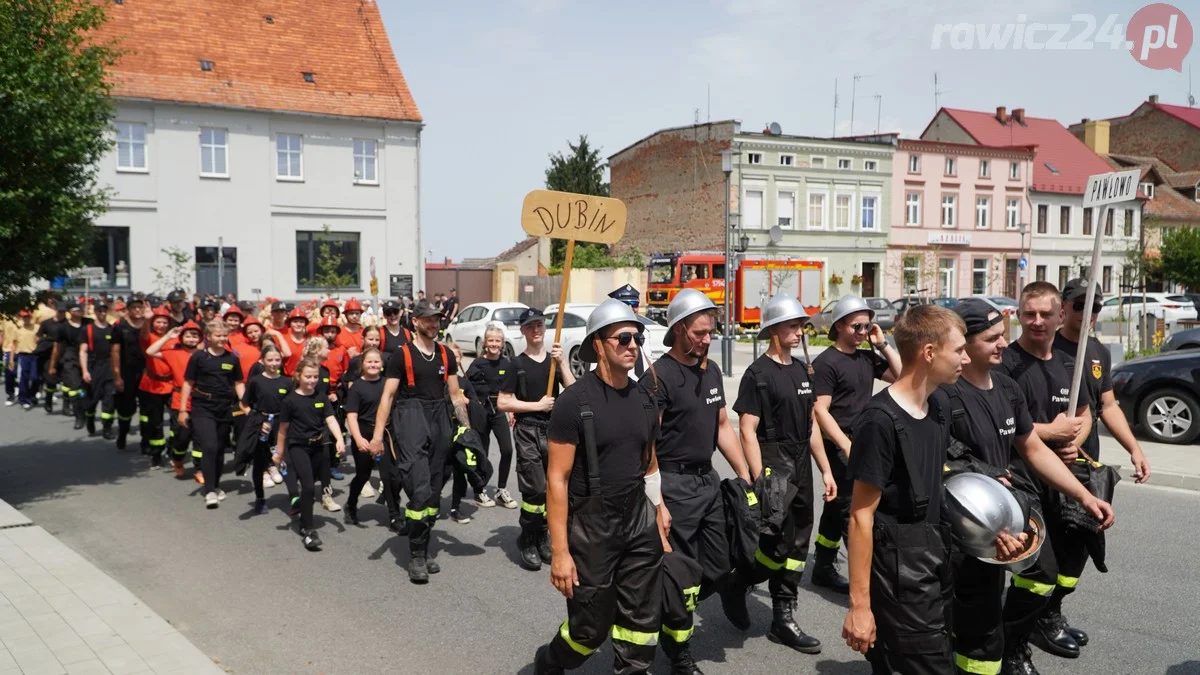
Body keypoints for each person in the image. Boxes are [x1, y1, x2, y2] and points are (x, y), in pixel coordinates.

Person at [841, 305, 1025, 674]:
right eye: (958, 349)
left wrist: (993, 534)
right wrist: (860, 607)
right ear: (929, 353)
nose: (965, 356)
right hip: (898, 569)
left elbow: (944, 483)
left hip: (936, 556)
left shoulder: (939, 405)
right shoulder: (879, 422)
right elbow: (861, 517)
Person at [943, 298, 1116, 675]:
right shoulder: (944, 396)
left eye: (1002, 335)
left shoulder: (1006, 388)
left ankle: (1014, 645)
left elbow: (1033, 448)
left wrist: (1084, 495)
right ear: (964, 343)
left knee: (1042, 575)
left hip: (1010, 512)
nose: (1003, 344)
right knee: (974, 630)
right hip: (966, 529)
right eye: (991, 339)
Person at [533, 299, 668, 675]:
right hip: (592, 525)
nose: (632, 345)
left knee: (640, 624)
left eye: (637, 337)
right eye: (623, 337)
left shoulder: (645, 395)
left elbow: (650, 461)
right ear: (598, 345)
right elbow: (556, 480)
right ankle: (550, 661)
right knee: (589, 630)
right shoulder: (574, 403)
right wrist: (560, 552)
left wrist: (659, 509)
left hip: (638, 519)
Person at [647, 289, 752, 672]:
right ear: (677, 330)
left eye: (711, 332)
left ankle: (670, 609)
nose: (708, 340)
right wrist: (657, 499)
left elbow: (723, 425)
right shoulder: (658, 376)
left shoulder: (710, 370)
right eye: (699, 333)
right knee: (683, 579)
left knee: (721, 567)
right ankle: (679, 653)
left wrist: (744, 475)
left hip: (707, 482)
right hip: (673, 487)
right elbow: (647, 445)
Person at [731, 294, 838, 656]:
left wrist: (825, 470)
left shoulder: (801, 371)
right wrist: (761, 479)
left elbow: (811, 428)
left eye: (801, 326)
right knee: (775, 545)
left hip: (801, 463)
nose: (799, 332)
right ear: (773, 329)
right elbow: (747, 429)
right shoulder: (757, 374)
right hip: (774, 462)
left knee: (797, 544)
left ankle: (782, 616)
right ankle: (740, 581)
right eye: (793, 326)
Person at [1049, 279, 1149, 653]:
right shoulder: (1049, 349)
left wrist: (1134, 450)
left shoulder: (1098, 352)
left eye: (1094, 306)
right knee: (1057, 547)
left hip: (1087, 464)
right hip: (1053, 462)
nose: (1088, 313)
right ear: (1064, 307)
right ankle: (1037, 618)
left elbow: (1107, 406)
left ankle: (1051, 610)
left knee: (1083, 544)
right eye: (1080, 304)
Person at [810, 295, 901, 593]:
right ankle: (868, 587)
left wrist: (883, 343)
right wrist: (845, 446)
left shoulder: (866, 357)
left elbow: (903, 376)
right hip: (841, 443)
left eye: (867, 326)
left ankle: (822, 567)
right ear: (839, 326)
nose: (863, 332)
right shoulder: (826, 363)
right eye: (857, 326)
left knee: (837, 506)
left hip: (863, 440)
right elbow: (820, 411)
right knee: (855, 509)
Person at [369, 302, 465, 583]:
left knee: (435, 492)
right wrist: (377, 436)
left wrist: (467, 432)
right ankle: (416, 555)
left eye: (437, 319)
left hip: (440, 420)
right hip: (410, 417)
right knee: (420, 489)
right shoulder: (402, 356)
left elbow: (456, 395)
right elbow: (387, 397)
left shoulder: (446, 354)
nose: (434, 324)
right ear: (416, 321)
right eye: (428, 320)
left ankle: (425, 543)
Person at [497, 307, 576, 571]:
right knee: (535, 490)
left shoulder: (554, 360)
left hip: (553, 429)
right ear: (522, 331)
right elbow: (503, 403)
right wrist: (537, 405)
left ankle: (543, 535)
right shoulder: (515, 365)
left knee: (553, 489)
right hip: (528, 430)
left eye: (540, 325)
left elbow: (574, 391)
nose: (536, 330)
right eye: (530, 326)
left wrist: (563, 362)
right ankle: (527, 539)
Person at [276, 358, 346, 550]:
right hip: (298, 446)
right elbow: (283, 430)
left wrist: (339, 439)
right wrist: (279, 452)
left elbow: (330, 419)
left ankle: (305, 515)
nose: (312, 380)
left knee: (312, 486)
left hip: (318, 446)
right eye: (308, 376)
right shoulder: (290, 401)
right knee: (307, 487)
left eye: (315, 377)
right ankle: (308, 529)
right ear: (298, 376)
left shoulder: (321, 396)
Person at [178, 321, 246, 508]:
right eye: (218, 335)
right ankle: (209, 491)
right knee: (209, 445)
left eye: (225, 335)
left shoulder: (232, 358)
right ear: (208, 336)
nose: (222, 339)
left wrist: (245, 404)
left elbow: (238, 383)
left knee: (219, 449)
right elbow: (188, 383)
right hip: (202, 407)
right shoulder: (199, 357)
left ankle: (215, 485)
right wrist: (183, 409)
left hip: (224, 407)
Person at [465, 324, 518, 509]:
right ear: (485, 343)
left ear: (502, 343)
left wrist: (512, 410)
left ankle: (501, 489)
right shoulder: (476, 364)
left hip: (499, 410)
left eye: (498, 340)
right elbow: (466, 389)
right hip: (480, 412)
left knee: (507, 450)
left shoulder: (507, 363)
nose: (494, 344)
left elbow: (509, 390)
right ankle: (479, 490)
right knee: (483, 452)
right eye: (491, 340)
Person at [145, 322, 203, 480]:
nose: (191, 339)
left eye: (195, 336)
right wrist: (168, 336)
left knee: (200, 435)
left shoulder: (204, 353)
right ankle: (177, 459)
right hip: (180, 399)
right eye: (188, 335)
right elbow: (150, 351)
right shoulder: (173, 352)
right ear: (182, 337)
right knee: (182, 436)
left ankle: (200, 468)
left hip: (201, 400)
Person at [238, 343, 290, 514]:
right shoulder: (256, 381)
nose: (274, 363)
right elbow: (244, 404)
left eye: (277, 360)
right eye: (270, 360)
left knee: (285, 460)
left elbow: (292, 406)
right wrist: (256, 419)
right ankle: (260, 498)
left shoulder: (286, 382)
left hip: (280, 424)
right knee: (259, 462)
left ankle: (294, 495)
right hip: (261, 423)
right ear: (262, 361)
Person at [343, 347, 386, 525]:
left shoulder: (387, 384)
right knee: (363, 475)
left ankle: (394, 513)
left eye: (376, 362)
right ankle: (351, 504)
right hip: (364, 433)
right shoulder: (357, 387)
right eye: (369, 362)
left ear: (382, 364)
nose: (373, 365)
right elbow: (351, 415)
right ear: (362, 364)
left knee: (391, 476)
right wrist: (358, 438)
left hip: (384, 433)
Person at [138, 306, 176, 465]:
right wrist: (147, 319)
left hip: (172, 384)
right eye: (158, 322)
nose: (161, 325)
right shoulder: (149, 337)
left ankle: (174, 449)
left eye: (164, 322)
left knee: (176, 421)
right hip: (152, 385)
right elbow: (144, 333)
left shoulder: (175, 338)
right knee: (155, 421)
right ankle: (156, 454)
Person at [110, 295, 146, 450]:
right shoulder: (120, 327)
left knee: (147, 409)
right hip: (127, 371)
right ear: (128, 309)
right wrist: (117, 376)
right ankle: (123, 433)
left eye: (140, 307)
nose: (137, 310)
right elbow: (115, 352)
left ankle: (146, 440)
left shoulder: (149, 325)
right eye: (134, 307)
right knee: (126, 407)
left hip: (146, 372)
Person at [79, 300, 116, 438]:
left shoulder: (111, 329)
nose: (102, 313)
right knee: (91, 399)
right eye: (99, 310)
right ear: (95, 312)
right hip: (93, 366)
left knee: (109, 399)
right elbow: (83, 351)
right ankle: (90, 419)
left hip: (109, 367)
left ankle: (107, 427)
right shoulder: (87, 329)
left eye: (104, 311)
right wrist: (84, 371)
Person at [51, 302, 88, 428]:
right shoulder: (62, 327)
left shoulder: (89, 323)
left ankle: (88, 413)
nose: (79, 311)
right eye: (75, 309)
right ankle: (79, 416)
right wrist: (53, 365)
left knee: (88, 390)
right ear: (69, 312)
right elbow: (57, 347)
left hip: (89, 359)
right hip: (70, 360)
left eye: (80, 308)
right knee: (75, 388)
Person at [34, 300, 65, 414]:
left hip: (63, 353)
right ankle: (48, 400)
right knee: (50, 379)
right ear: (56, 311)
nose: (62, 314)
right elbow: (38, 336)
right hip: (48, 354)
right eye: (60, 311)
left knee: (66, 380)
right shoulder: (47, 323)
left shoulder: (66, 324)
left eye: (64, 312)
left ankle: (66, 406)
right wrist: (42, 343)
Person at [10, 310, 40, 410]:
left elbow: (40, 341)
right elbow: (13, 345)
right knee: (24, 378)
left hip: (34, 355)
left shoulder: (36, 328)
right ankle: (24, 398)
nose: (26, 318)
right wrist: (11, 359)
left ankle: (32, 394)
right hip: (23, 355)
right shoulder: (18, 329)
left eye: (27, 316)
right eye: (24, 317)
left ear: (31, 317)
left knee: (35, 378)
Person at [282, 308, 309, 377]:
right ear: (290, 323)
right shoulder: (284, 340)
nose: (298, 324)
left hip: (304, 379)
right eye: (295, 321)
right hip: (287, 377)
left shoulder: (309, 341)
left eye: (301, 322)